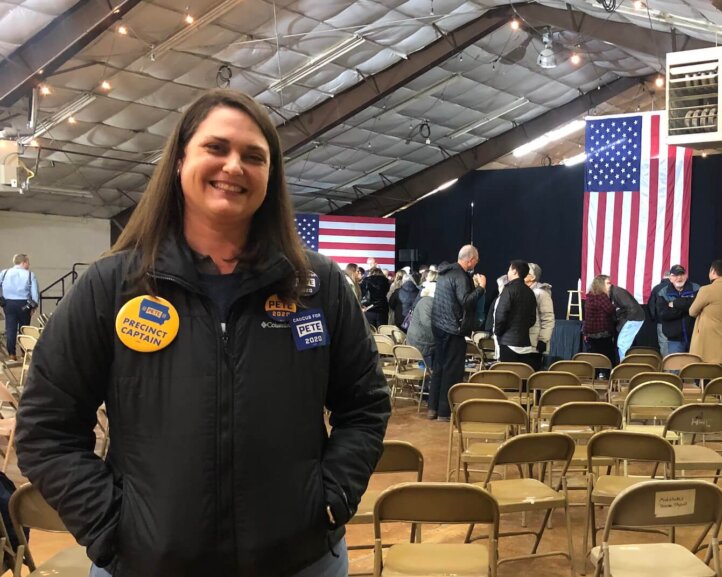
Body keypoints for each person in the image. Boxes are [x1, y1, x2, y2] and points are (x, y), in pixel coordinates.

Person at [15, 89, 390, 577]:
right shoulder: (113, 286)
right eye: (216, 148)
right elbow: (46, 428)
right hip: (148, 565)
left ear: (271, 176)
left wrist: (329, 500)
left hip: (300, 561)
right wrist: (113, 526)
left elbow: (364, 406)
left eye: (254, 156)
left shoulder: (317, 287)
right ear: (179, 161)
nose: (234, 166)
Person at [429, 245, 486, 421]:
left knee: (439, 367)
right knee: (452, 371)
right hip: (453, 329)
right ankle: (445, 412)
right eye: (476, 260)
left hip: (438, 326)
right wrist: (481, 288)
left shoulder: (445, 273)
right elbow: (466, 301)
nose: (476, 263)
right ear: (470, 259)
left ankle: (432, 408)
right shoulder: (460, 276)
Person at [689, 260, 722, 367]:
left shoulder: (707, 290)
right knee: (721, 381)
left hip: (708, 349)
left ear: (712, 271)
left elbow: (692, 312)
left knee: (706, 381)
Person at [492, 260, 537, 365]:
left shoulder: (508, 290)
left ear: (515, 272)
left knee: (508, 379)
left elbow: (500, 315)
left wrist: (498, 332)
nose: (508, 272)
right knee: (523, 377)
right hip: (525, 344)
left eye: (509, 270)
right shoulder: (530, 292)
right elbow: (532, 319)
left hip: (508, 344)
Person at [654, 265, 699, 355]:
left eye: (681, 274)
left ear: (686, 276)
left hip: (695, 337)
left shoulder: (696, 289)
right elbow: (664, 314)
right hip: (674, 340)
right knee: (675, 368)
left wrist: (675, 304)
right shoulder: (663, 293)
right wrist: (687, 308)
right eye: (675, 275)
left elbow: (698, 306)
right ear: (670, 278)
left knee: (694, 367)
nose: (679, 278)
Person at [1, 253, 40, 358]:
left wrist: (1, 301)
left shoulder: (4, 273)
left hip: (8, 303)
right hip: (24, 304)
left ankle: (12, 354)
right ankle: (24, 352)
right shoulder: (30, 275)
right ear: (23, 262)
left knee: (10, 328)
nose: (29, 264)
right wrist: (34, 306)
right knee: (24, 328)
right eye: (28, 262)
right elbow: (35, 293)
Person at [525, 263, 555, 370]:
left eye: (526, 273)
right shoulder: (523, 291)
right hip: (523, 343)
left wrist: (543, 340)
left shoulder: (542, 293)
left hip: (535, 345)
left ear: (532, 277)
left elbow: (548, 319)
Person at [583, 275, 617, 363]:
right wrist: (615, 306)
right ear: (601, 285)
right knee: (608, 356)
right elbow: (610, 310)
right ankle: (609, 374)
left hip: (591, 332)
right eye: (607, 283)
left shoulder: (589, 296)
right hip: (602, 332)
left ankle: (596, 374)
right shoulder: (602, 296)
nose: (610, 285)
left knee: (595, 356)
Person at [608, 280, 646, 360]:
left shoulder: (617, 292)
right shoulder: (616, 292)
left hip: (633, 318)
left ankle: (625, 367)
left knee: (622, 344)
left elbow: (631, 308)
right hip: (635, 317)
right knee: (623, 344)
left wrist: (625, 321)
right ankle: (626, 365)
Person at [405, 283, 436, 366]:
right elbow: (427, 323)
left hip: (420, 339)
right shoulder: (427, 302)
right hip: (421, 341)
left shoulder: (427, 301)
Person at [647, 271, 672, 355]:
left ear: (663, 277)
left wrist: (653, 317)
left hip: (661, 321)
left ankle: (666, 365)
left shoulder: (656, 288)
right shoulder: (676, 287)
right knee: (675, 343)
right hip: (675, 320)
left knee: (663, 343)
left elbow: (651, 304)